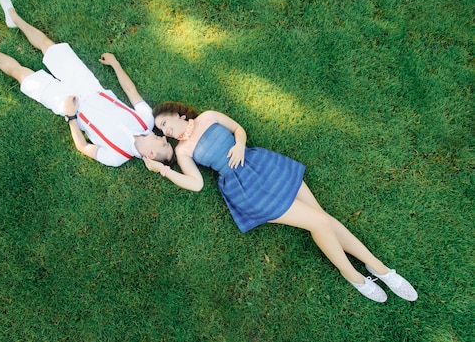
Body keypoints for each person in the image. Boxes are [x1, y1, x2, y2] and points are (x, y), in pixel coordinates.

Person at [144, 101, 418, 303]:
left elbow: (238, 128)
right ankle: (356, 275)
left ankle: (376, 266)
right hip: (247, 189)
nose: (166, 132)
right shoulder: (183, 151)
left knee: (323, 219)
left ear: (178, 114)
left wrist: (239, 144)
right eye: (162, 131)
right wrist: (165, 171)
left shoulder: (208, 117)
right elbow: (197, 183)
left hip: (261, 163)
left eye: (165, 124)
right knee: (320, 221)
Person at [0, 0, 173, 167]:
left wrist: (71, 116)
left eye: (163, 144)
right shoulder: (147, 122)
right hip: (89, 86)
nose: (164, 138)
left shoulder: (118, 156)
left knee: (21, 74)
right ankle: (13, 17)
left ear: (151, 154)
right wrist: (115, 64)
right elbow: (131, 92)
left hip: (69, 105)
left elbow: (84, 147)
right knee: (48, 45)